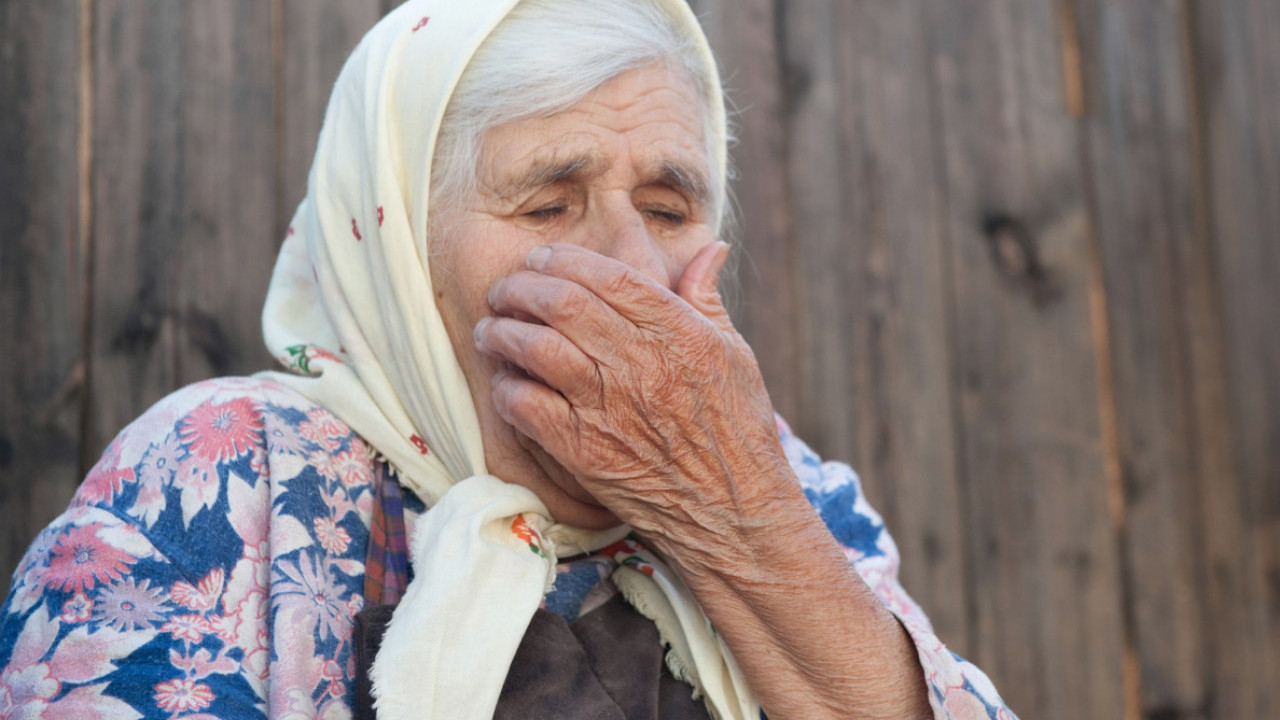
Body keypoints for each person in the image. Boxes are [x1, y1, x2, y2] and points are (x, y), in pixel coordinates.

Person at [0, 0, 1017, 718]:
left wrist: (738, 517)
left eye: (668, 209)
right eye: (545, 203)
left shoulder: (779, 483)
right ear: (398, 254)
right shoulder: (227, 478)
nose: (630, 265)